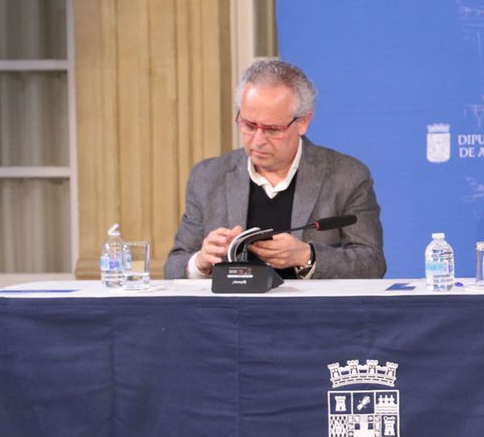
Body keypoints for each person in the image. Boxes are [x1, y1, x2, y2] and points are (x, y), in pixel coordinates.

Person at [165, 58, 386, 280]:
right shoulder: (208, 177)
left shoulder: (347, 177)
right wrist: (201, 262)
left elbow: (371, 263)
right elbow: (173, 266)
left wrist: (307, 257)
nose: (258, 140)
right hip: (233, 303)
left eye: (272, 129)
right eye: (249, 126)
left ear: (303, 122)